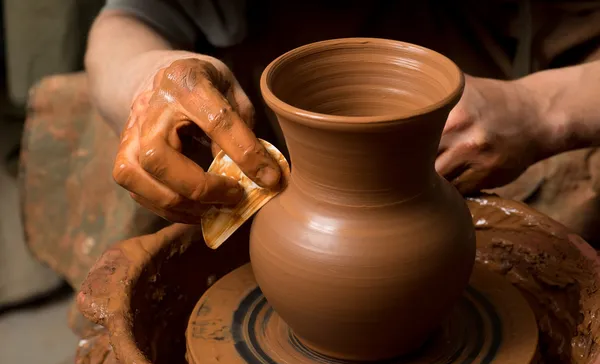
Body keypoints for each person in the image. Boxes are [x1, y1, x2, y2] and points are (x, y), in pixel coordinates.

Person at [85, 0, 600, 224]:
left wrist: (543, 108)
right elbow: (126, 21)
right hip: (290, 194)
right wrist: (152, 78)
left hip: (514, 129)